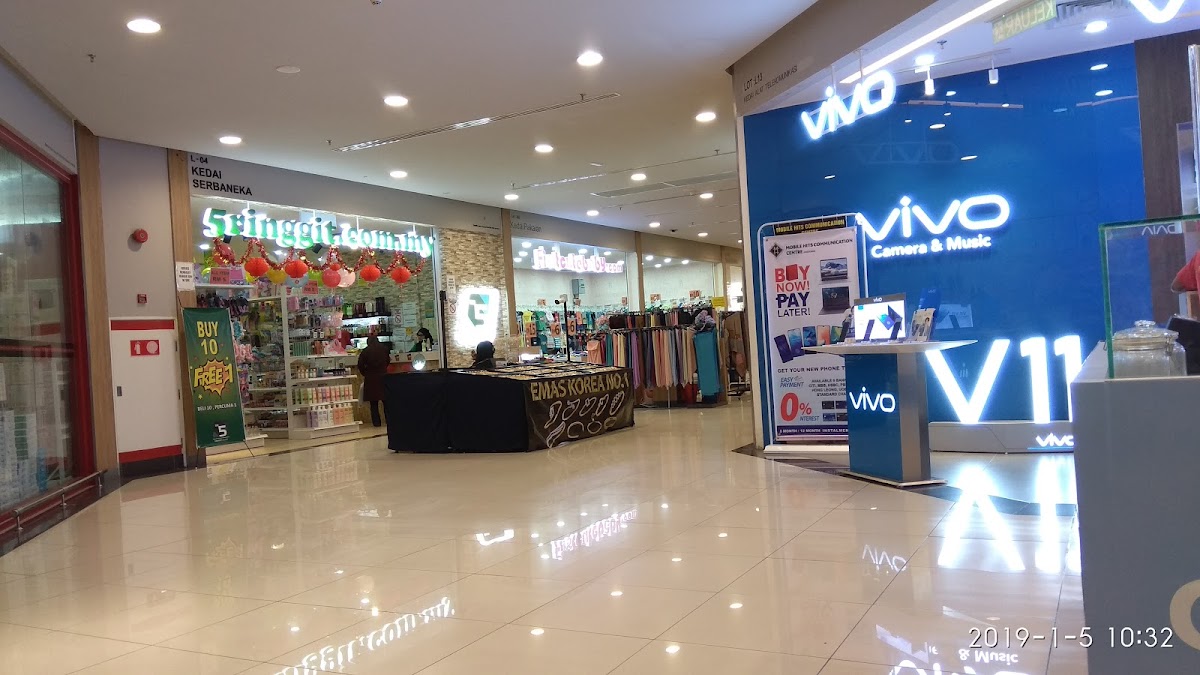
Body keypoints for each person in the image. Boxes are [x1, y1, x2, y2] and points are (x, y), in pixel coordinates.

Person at [357, 336, 391, 427]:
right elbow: (388, 361)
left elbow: (360, 365)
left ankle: (376, 423)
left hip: (371, 378)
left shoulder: (365, 351)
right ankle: (389, 421)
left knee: (373, 404)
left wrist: (365, 373)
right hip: (383, 377)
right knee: (386, 402)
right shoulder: (384, 349)